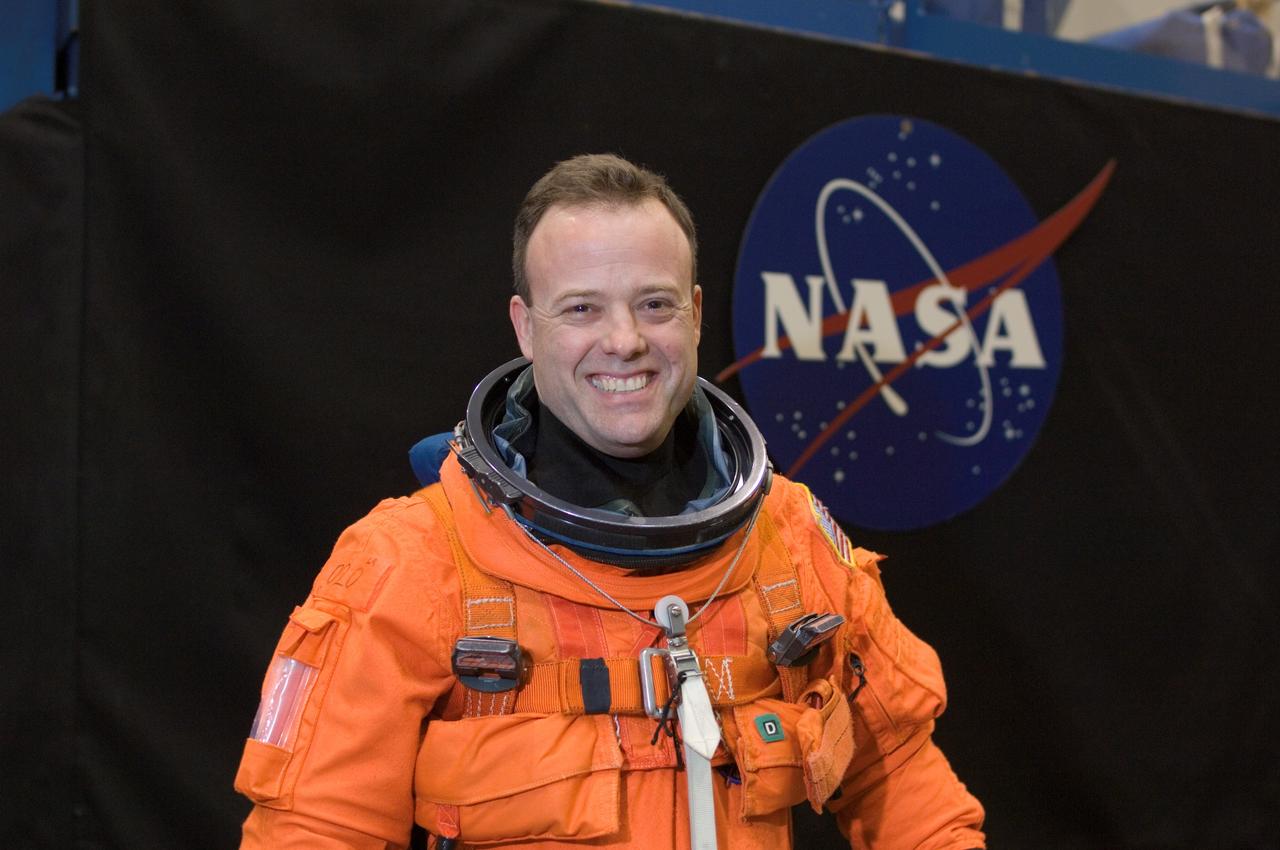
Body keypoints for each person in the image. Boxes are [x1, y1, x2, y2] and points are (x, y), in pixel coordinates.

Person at [233, 153, 986, 850]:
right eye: (582, 310)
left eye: (654, 304)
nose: (624, 340)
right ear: (527, 329)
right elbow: (312, 832)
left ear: (694, 312)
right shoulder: (411, 567)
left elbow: (908, 790)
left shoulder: (792, 546)